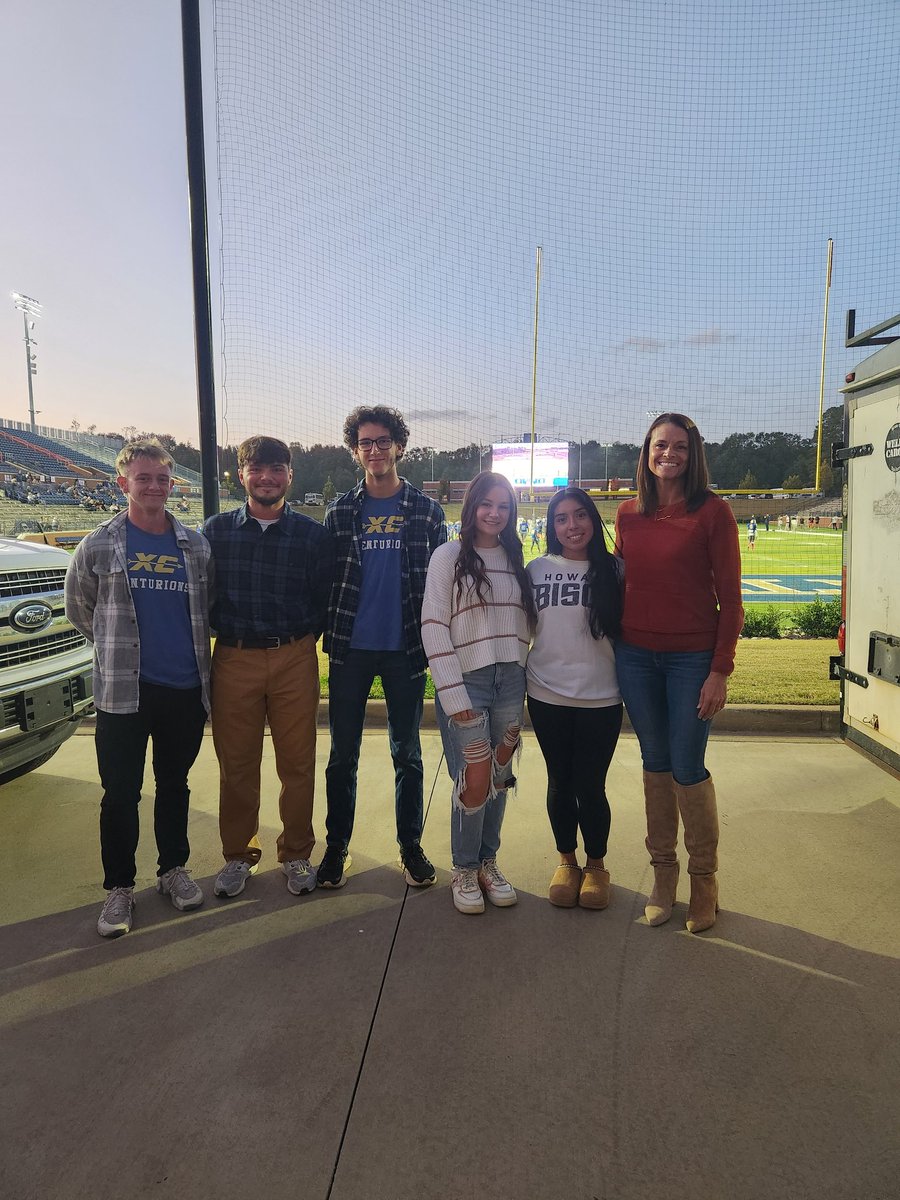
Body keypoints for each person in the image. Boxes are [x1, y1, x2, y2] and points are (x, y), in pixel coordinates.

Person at [65, 439, 213, 938]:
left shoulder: (195, 545)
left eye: (162, 479)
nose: (153, 487)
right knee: (121, 793)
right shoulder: (100, 544)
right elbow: (80, 609)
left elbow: (205, 611)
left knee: (175, 785)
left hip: (184, 688)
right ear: (123, 483)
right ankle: (119, 889)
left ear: (173, 485)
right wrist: (116, 650)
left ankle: (172, 869)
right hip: (122, 694)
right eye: (143, 478)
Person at [614, 413, 743, 934]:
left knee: (688, 765)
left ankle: (704, 880)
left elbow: (731, 602)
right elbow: (621, 583)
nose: (669, 453)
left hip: (692, 659)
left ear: (694, 456)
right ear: (646, 451)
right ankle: (663, 875)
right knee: (655, 763)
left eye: (680, 447)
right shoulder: (627, 513)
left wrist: (719, 670)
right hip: (636, 657)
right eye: (660, 445)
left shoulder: (713, 512)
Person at [320, 406, 446, 890]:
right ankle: (336, 846)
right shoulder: (341, 512)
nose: (375, 450)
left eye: (383, 441)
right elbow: (328, 580)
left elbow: (441, 585)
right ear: (356, 451)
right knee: (341, 756)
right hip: (351, 648)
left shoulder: (427, 511)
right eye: (365, 443)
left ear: (399, 446)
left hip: (405, 651)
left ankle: (409, 844)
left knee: (407, 754)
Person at [203, 436, 334, 899]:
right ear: (241, 475)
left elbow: (322, 599)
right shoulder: (215, 532)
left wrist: (300, 645)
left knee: (297, 763)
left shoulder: (312, 536)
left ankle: (296, 853)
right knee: (236, 763)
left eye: (276, 469)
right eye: (257, 469)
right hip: (235, 656)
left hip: (294, 655)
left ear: (289, 475)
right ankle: (239, 855)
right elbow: (205, 599)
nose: (267, 477)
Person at [421, 472, 536, 914]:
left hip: (510, 679)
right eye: (487, 504)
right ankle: (464, 867)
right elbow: (433, 627)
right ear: (472, 507)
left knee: (500, 777)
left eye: (503, 506)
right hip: (466, 682)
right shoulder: (448, 556)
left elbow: (526, 623)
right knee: (473, 780)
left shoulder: (513, 556)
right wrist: (454, 696)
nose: (495, 513)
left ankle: (489, 862)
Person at [526, 488, 624, 909]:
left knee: (591, 784)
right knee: (559, 781)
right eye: (562, 518)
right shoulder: (536, 569)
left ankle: (597, 865)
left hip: (601, 696)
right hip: (546, 693)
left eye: (580, 515)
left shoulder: (617, 570)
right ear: (552, 526)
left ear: (593, 520)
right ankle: (567, 860)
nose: (572, 526)